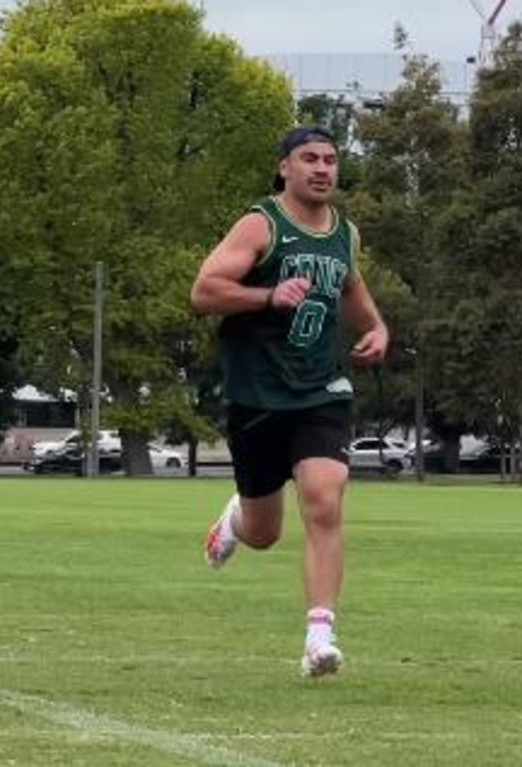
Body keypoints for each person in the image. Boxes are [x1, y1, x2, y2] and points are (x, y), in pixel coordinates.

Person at [189, 125, 389, 678]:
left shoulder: (343, 233)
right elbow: (204, 291)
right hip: (258, 395)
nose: (322, 169)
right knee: (265, 531)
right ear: (284, 168)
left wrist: (376, 328)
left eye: (330, 160)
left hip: (321, 389)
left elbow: (349, 286)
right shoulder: (262, 225)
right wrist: (267, 295)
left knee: (325, 498)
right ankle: (233, 520)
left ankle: (319, 637)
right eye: (309, 159)